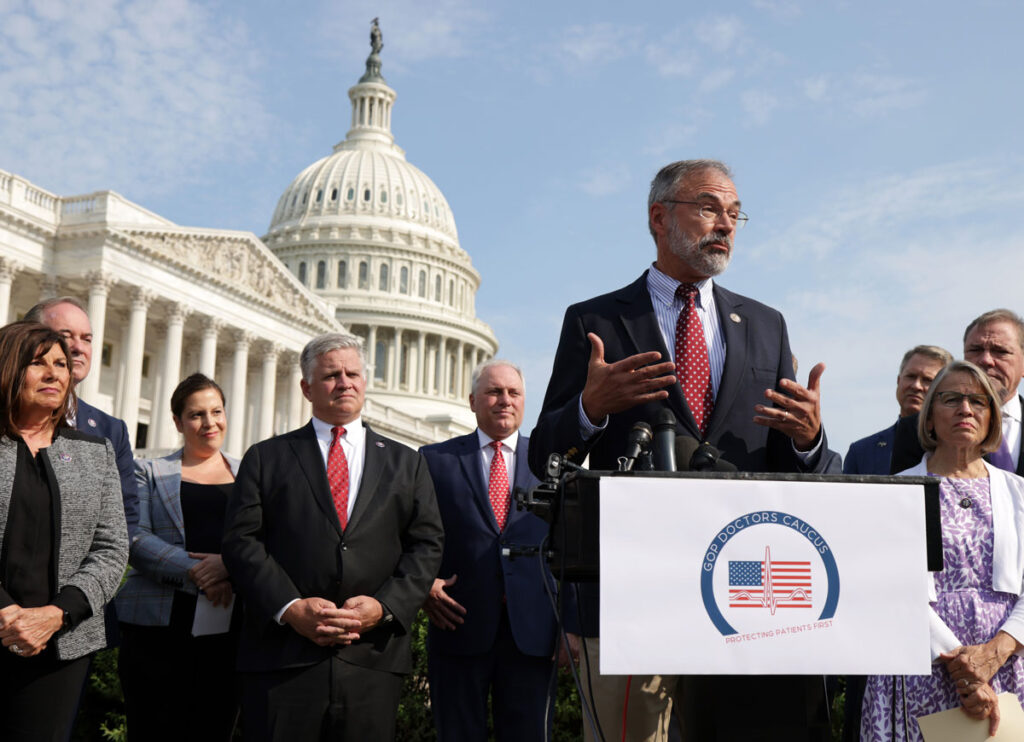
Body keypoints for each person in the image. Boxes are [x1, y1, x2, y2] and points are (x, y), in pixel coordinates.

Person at [529, 159, 834, 741]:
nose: (726, 223)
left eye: (735, 212)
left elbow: (802, 466)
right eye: (710, 207)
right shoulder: (596, 320)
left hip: (743, 594)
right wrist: (590, 409)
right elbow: (546, 454)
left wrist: (807, 439)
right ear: (658, 218)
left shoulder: (767, 325)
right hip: (634, 585)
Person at [222, 332, 444, 741]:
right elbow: (241, 543)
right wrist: (290, 608)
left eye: (353, 373)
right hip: (282, 658)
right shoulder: (266, 458)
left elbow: (426, 546)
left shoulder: (406, 463)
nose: (345, 382)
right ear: (306, 388)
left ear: (365, 381)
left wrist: (383, 606)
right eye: (331, 375)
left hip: (371, 659)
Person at [861, 360, 1024, 740]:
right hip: (921, 663)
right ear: (930, 418)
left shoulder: (1020, 493)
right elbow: (888, 588)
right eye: (952, 399)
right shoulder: (894, 492)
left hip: (1007, 667)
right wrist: (963, 668)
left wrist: (996, 652)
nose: (965, 409)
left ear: (992, 419)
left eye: (978, 401)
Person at [0, 321, 128, 740]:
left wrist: (56, 615)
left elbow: (111, 549)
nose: (56, 373)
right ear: (8, 368)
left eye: (61, 364)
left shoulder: (95, 452)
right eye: (38, 363)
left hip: (62, 642)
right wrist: (8, 614)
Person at [420, 359, 560, 741]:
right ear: (472, 401)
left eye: (513, 393)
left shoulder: (552, 465)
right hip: (457, 625)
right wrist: (422, 584)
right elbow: (411, 535)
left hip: (532, 632)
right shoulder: (433, 461)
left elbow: (568, 550)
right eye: (494, 392)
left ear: (524, 402)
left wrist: (569, 623)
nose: (504, 400)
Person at [115, 373, 241, 741]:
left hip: (229, 625)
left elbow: (264, 541)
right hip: (155, 629)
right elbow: (134, 537)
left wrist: (229, 567)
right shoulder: (148, 471)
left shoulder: (251, 474)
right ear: (177, 421)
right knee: (153, 730)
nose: (209, 422)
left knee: (214, 729)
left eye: (216, 411)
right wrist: (199, 573)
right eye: (196, 414)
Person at [24, 297, 140, 540]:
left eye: (87, 339)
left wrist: (85, 577)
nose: (78, 347)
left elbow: (124, 519)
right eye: (66, 336)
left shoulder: (112, 430)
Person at [891, 310, 1024, 476]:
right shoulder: (915, 429)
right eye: (975, 350)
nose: (986, 360)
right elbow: (907, 496)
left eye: (1000, 351)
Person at [844, 345, 952, 476]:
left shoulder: (960, 449)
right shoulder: (862, 452)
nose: (916, 386)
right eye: (911, 376)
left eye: (927, 380)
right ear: (898, 380)